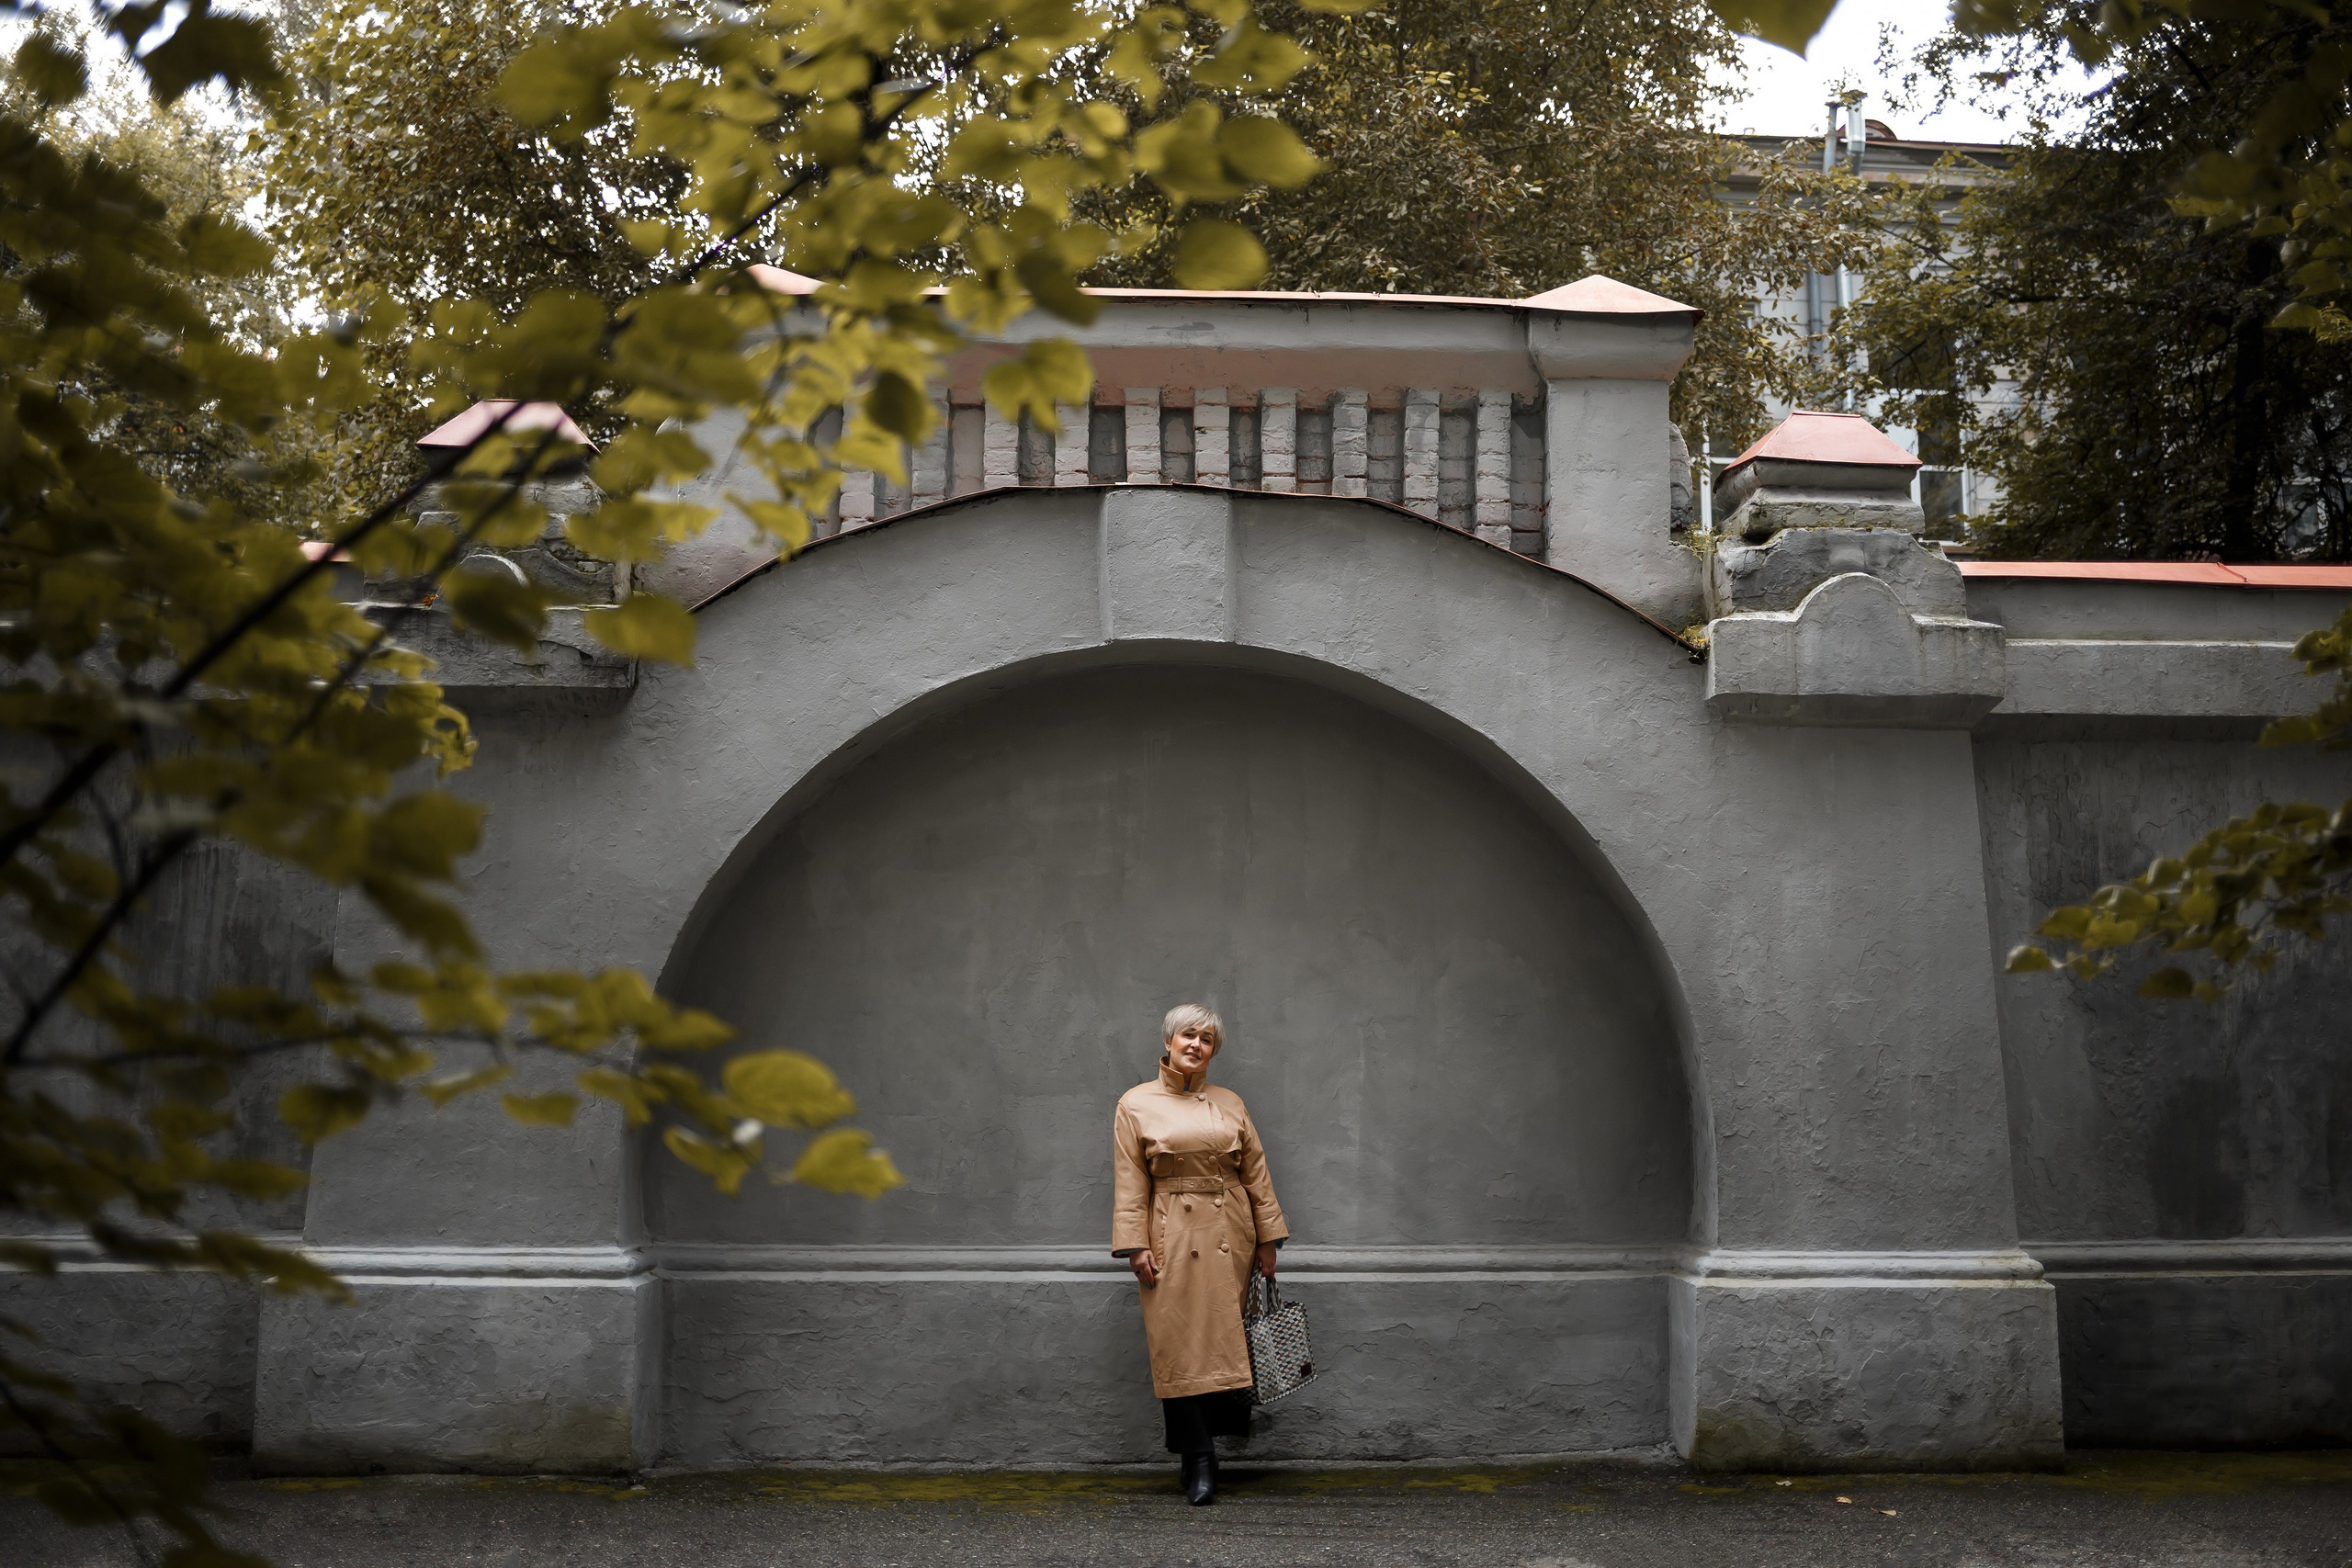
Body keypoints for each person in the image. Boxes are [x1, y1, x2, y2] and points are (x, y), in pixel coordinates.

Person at [1111, 1002, 1289, 1505]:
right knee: (1179, 1346)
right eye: (1187, 1036)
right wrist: (1135, 1245)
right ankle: (1199, 1455)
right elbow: (1131, 1181)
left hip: (1231, 1230)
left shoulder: (1230, 1102)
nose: (1196, 1045)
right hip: (1170, 1231)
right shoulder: (1135, 1103)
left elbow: (1255, 1172)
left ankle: (1205, 1455)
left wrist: (1268, 1239)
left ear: (1213, 1051)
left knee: (1225, 1340)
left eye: (1206, 1040)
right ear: (1167, 1042)